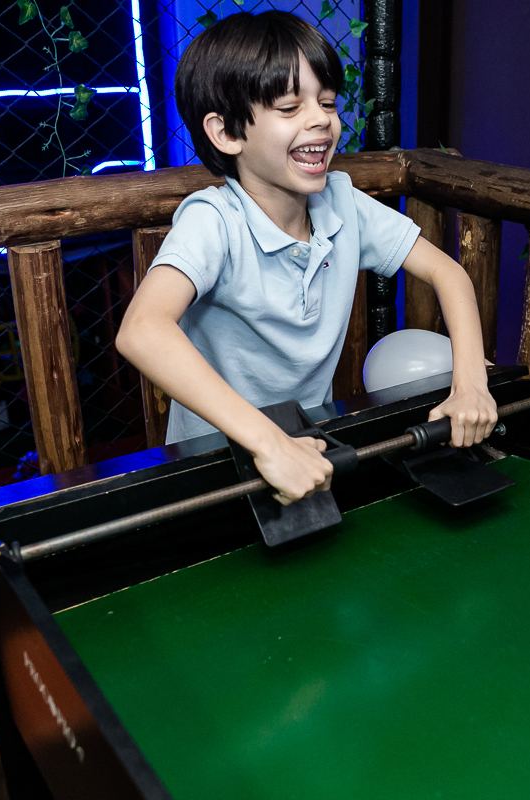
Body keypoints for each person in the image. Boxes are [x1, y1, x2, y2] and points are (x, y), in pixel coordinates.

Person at [117, 10, 496, 505]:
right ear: (226, 133)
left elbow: (448, 273)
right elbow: (141, 329)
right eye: (289, 107)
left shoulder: (342, 201)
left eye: (327, 102)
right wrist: (268, 442)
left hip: (308, 449)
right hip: (215, 466)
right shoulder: (214, 220)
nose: (321, 119)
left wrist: (471, 385)